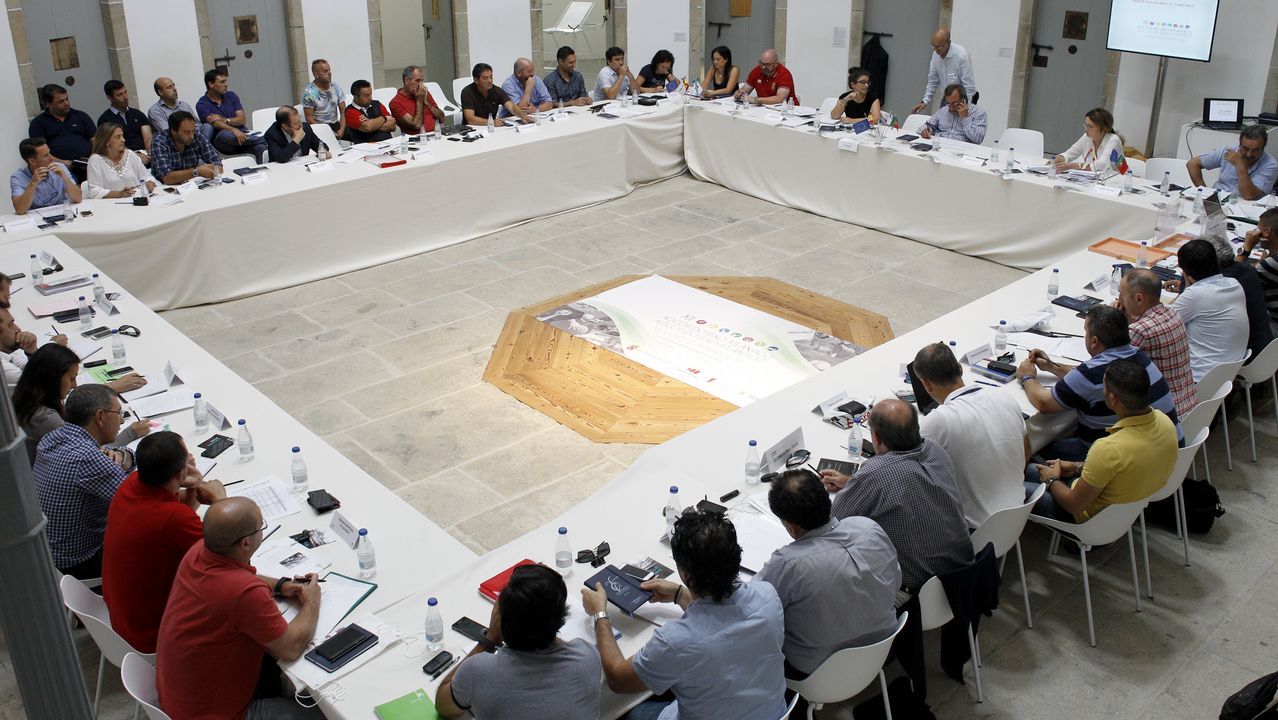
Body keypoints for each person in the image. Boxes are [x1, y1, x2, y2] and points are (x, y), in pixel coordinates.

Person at [583, 510, 786, 720]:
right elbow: (720, 624)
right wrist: (680, 594)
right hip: (772, 712)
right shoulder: (768, 595)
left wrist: (600, 615)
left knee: (630, 713)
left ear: (685, 574)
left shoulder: (675, 642)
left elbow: (617, 680)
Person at [156, 497, 324, 720]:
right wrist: (312, 600)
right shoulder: (244, 593)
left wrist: (281, 586)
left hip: (179, 696)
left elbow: (240, 576)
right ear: (246, 543)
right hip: (221, 713)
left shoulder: (197, 552)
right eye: (261, 527)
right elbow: (290, 648)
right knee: (326, 712)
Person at [755, 469, 900, 679]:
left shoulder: (788, 564)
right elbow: (895, 583)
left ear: (791, 526)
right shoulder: (869, 528)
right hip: (882, 648)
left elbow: (753, 610)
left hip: (817, 672)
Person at [821, 399, 973, 596]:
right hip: (966, 575)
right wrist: (853, 483)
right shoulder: (934, 449)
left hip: (919, 594)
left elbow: (830, 526)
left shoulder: (875, 474)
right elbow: (907, 484)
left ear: (875, 437)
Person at [103, 431, 226, 653]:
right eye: (186, 456)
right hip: (155, 634)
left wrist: (190, 486)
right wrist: (221, 502)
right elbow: (228, 555)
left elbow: (176, 524)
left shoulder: (130, 484)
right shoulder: (171, 518)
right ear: (179, 473)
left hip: (124, 619)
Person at [1015, 304, 1181, 460]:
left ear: (1094, 341)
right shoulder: (1138, 356)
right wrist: (1053, 367)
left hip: (1120, 459)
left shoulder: (1090, 375)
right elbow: (1087, 374)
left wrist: (1027, 377)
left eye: (1086, 332)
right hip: (1165, 455)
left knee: (1033, 448)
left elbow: (1044, 403)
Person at [435, 564, 601, 719]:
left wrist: (490, 638)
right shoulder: (587, 656)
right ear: (562, 618)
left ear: (500, 618)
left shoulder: (477, 671)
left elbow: (444, 707)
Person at [1026, 360, 1177, 523]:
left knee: (1015, 488)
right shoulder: (1165, 422)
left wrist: (1051, 480)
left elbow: (1073, 505)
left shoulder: (1108, 449)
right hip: (1122, 508)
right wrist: (1078, 467)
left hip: (1085, 517)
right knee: (1031, 469)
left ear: (1112, 399)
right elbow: (1123, 466)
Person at [912, 342, 1030, 527]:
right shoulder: (1004, 397)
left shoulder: (937, 422)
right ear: (960, 368)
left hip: (975, 532)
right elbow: (1026, 452)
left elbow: (911, 477)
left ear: (926, 385)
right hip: (1017, 514)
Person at [32, 384, 131, 579]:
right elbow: (140, 500)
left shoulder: (53, 438)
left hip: (48, 557)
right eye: (119, 413)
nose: (121, 420)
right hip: (82, 564)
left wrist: (121, 454)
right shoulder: (88, 459)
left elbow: (118, 462)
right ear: (100, 417)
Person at [13, 343, 148, 463]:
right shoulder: (46, 418)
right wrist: (131, 433)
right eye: (71, 379)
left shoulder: (28, 397)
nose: (74, 385)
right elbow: (91, 454)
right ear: (53, 379)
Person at [1117, 269, 1198, 418]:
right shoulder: (1173, 313)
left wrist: (1115, 324)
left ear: (1139, 298)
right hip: (1191, 411)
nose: (1119, 300)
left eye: (1122, 294)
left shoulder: (1139, 331)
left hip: (1165, 418)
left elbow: (1107, 365)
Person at [1170, 238, 1250, 382]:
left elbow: (1160, 322)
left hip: (1199, 379)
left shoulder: (1195, 295)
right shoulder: (1234, 284)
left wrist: (1186, 286)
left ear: (1185, 271)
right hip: (1226, 375)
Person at [1210, 236, 1274, 365]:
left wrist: (1187, 278)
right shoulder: (1247, 270)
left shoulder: (1223, 286)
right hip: (1265, 346)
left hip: (1245, 358)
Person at [195, 68, 267, 163]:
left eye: (226, 81)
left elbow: (242, 119)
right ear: (211, 84)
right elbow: (215, 124)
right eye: (222, 82)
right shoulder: (202, 104)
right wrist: (233, 129)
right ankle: (267, 138)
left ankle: (261, 172)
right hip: (223, 141)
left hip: (242, 136)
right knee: (226, 135)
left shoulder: (231, 96)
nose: (226, 85)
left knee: (260, 148)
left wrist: (224, 120)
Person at [1187, 124, 1277, 201]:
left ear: (1263, 148)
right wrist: (1205, 193)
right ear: (1239, 144)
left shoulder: (1270, 165)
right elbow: (1192, 164)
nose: (1249, 154)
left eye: (1255, 150)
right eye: (1245, 149)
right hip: (1218, 200)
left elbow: (1249, 195)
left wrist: (1240, 165)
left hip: (1246, 206)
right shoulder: (1229, 150)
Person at [28, 84, 95, 180]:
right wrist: (63, 163)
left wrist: (93, 158)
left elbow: (96, 140)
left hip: (88, 162)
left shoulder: (80, 116)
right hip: (60, 167)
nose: (66, 103)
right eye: (61, 101)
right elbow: (40, 152)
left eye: (67, 99)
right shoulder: (38, 124)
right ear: (48, 103)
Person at [912, 29, 977, 114]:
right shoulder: (935, 54)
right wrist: (925, 101)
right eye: (933, 46)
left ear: (948, 43)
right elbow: (933, 81)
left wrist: (965, 107)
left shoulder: (961, 56)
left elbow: (969, 87)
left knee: (961, 125)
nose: (936, 50)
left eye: (939, 47)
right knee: (941, 123)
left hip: (964, 98)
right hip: (947, 98)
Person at [10, 137, 81, 214]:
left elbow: (78, 198)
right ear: (32, 161)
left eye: (49, 153)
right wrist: (33, 183)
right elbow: (20, 210)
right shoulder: (18, 177)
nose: (51, 158)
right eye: (46, 155)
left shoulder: (60, 167)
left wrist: (64, 177)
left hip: (63, 214)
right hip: (37, 219)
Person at [151, 110, 223, 186]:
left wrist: (213, 169)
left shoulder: (197, 136)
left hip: (191, 184)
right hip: (165, 189)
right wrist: (196, 172)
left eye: (193, 131)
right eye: (187, 132)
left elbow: (218, 165)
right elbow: (166, 178)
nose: (192, 136)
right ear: (173, 131)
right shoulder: (159, 141)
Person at [85, 123, 156, 199]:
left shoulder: (130, 155)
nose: (123, 140)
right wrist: (119, 194)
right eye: (118, 137)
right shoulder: (95, 160)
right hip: (111, 206)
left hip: (137, 200)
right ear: (106, 141)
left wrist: (150, 182)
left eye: (122, 136)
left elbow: (147, 176)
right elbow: (94, 191)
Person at [97, 80, 152, 166]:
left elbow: (148, 137)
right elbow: (112, 145)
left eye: (125, 92)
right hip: (123, 159)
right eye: (119, 95)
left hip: (146, 155)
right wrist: (133, 156)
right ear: (110, 98)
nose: (125, 97)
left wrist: (151, 153)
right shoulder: (105, 119)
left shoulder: (137, 114)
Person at [1054, 108, 1125, 174]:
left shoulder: (1113, 140)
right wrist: (1059, 158)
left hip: (1118, 181)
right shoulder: (1087, 137)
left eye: (1090, 126)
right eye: (1085, 125)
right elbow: (1069, 154)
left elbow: (1102, 165)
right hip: (1093, 179)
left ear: (1104, 129)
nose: (1086, 129)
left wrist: (1074, 166)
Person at [1241, 207, 1278, 334]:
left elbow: (1232, 279)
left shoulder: (1270, 265)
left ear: (1267, 232)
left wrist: (1246, 247)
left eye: (1258, 229)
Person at [461, 63, 528, 127]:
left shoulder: (497, 91)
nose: (490, 80)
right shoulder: (467, 92)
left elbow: (512, 107)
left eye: (491, 76)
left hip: (492, 128)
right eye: (485, 78)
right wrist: (491, 122)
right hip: (473, 129)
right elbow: (470, 119)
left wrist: (522, 115)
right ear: (476, 80)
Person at [919, 83, 986, 144]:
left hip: (963, 151)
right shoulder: (943, 110)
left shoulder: (979, 113)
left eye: (954, 103)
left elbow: (978, 139)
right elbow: (926, 126)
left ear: (963, 100)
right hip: (941, 147)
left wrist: (965, 118)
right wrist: (926, 130)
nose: (951, 108)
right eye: (948, 103)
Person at [390, 65, 446, 134]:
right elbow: (417, 125)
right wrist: (419, 101)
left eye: (421, 81)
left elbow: (442, 117)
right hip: (418, 140)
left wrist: (427, 103)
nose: (420, 84)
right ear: (406, 80)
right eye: (417, 81)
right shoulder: (395, 103)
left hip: (437, 134)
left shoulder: (423, 93)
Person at [301, 58, 348, 138]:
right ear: (316, 74)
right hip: (319, 127)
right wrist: (326, 132)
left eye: (329, 70)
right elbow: (309, 118)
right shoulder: (310, 93)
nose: (329, 73)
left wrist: (342, 128)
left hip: (335, 124)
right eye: (325, 71)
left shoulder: (335, 87)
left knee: (357, 134)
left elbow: (343, 110)